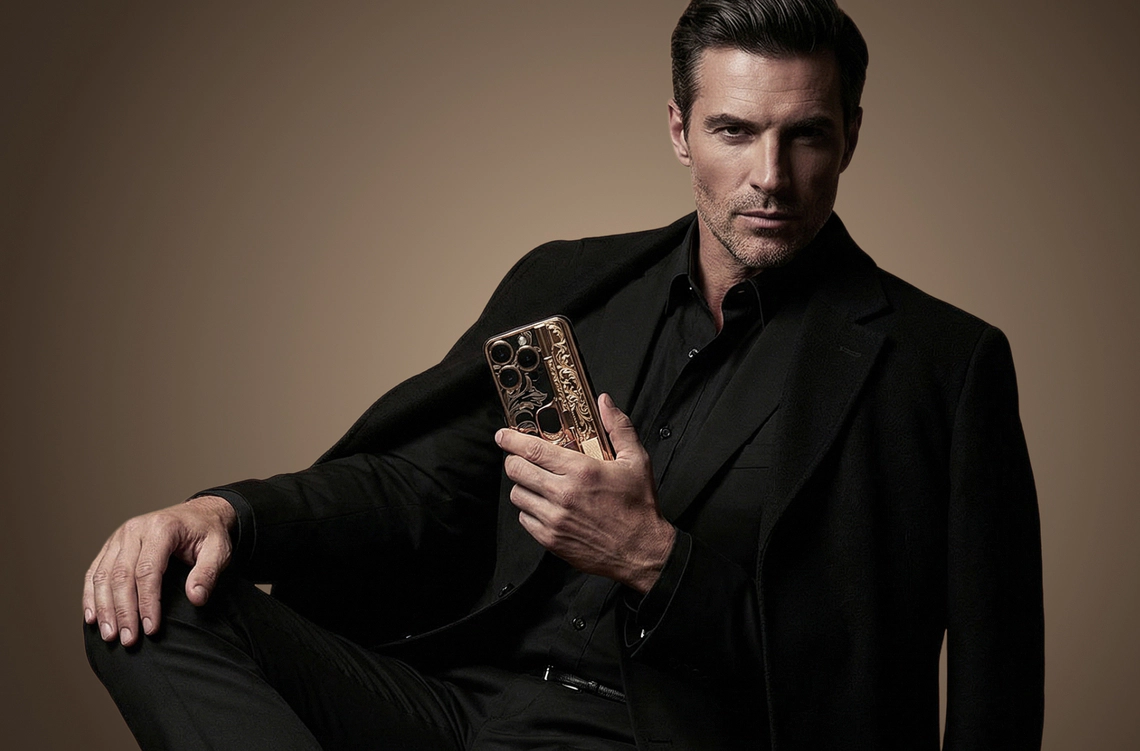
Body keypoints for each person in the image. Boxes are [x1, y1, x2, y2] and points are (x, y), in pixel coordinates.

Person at [83, 1, 1044, 748]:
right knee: (146, 603)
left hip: (662, 737)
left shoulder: (939, 366)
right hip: (461, 708)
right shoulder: (572, 288)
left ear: (852, 136)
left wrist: (651, 559)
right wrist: (228, 515)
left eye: (808, 135)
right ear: (680, 131)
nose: (771, 176)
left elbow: (976, 686)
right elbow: (421, 488)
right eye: (735, 131)